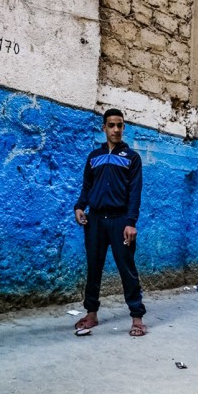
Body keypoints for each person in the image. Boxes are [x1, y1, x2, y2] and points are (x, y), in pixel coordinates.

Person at [73, 108, 147, 337]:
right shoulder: (94, 157)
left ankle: (137, 318)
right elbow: (87, 186)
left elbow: (135, 193)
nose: (116, 129)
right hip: (94, 220)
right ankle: (92, 314)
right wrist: (79, 207)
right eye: (111, 125)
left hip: (119, 221)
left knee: (127, 268)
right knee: (94, 267)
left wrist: (131, 222)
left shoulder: (132, 158)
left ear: (124, 128)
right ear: (103, 128)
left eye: (120, 125)